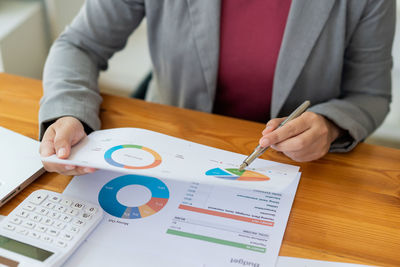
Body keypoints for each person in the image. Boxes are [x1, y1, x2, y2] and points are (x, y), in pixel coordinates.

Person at [39, 0, 395, 175]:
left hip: (295, 168)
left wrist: (330, 125)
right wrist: (70, 112)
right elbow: (80, 45)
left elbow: (370, 95)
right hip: (175, 149)